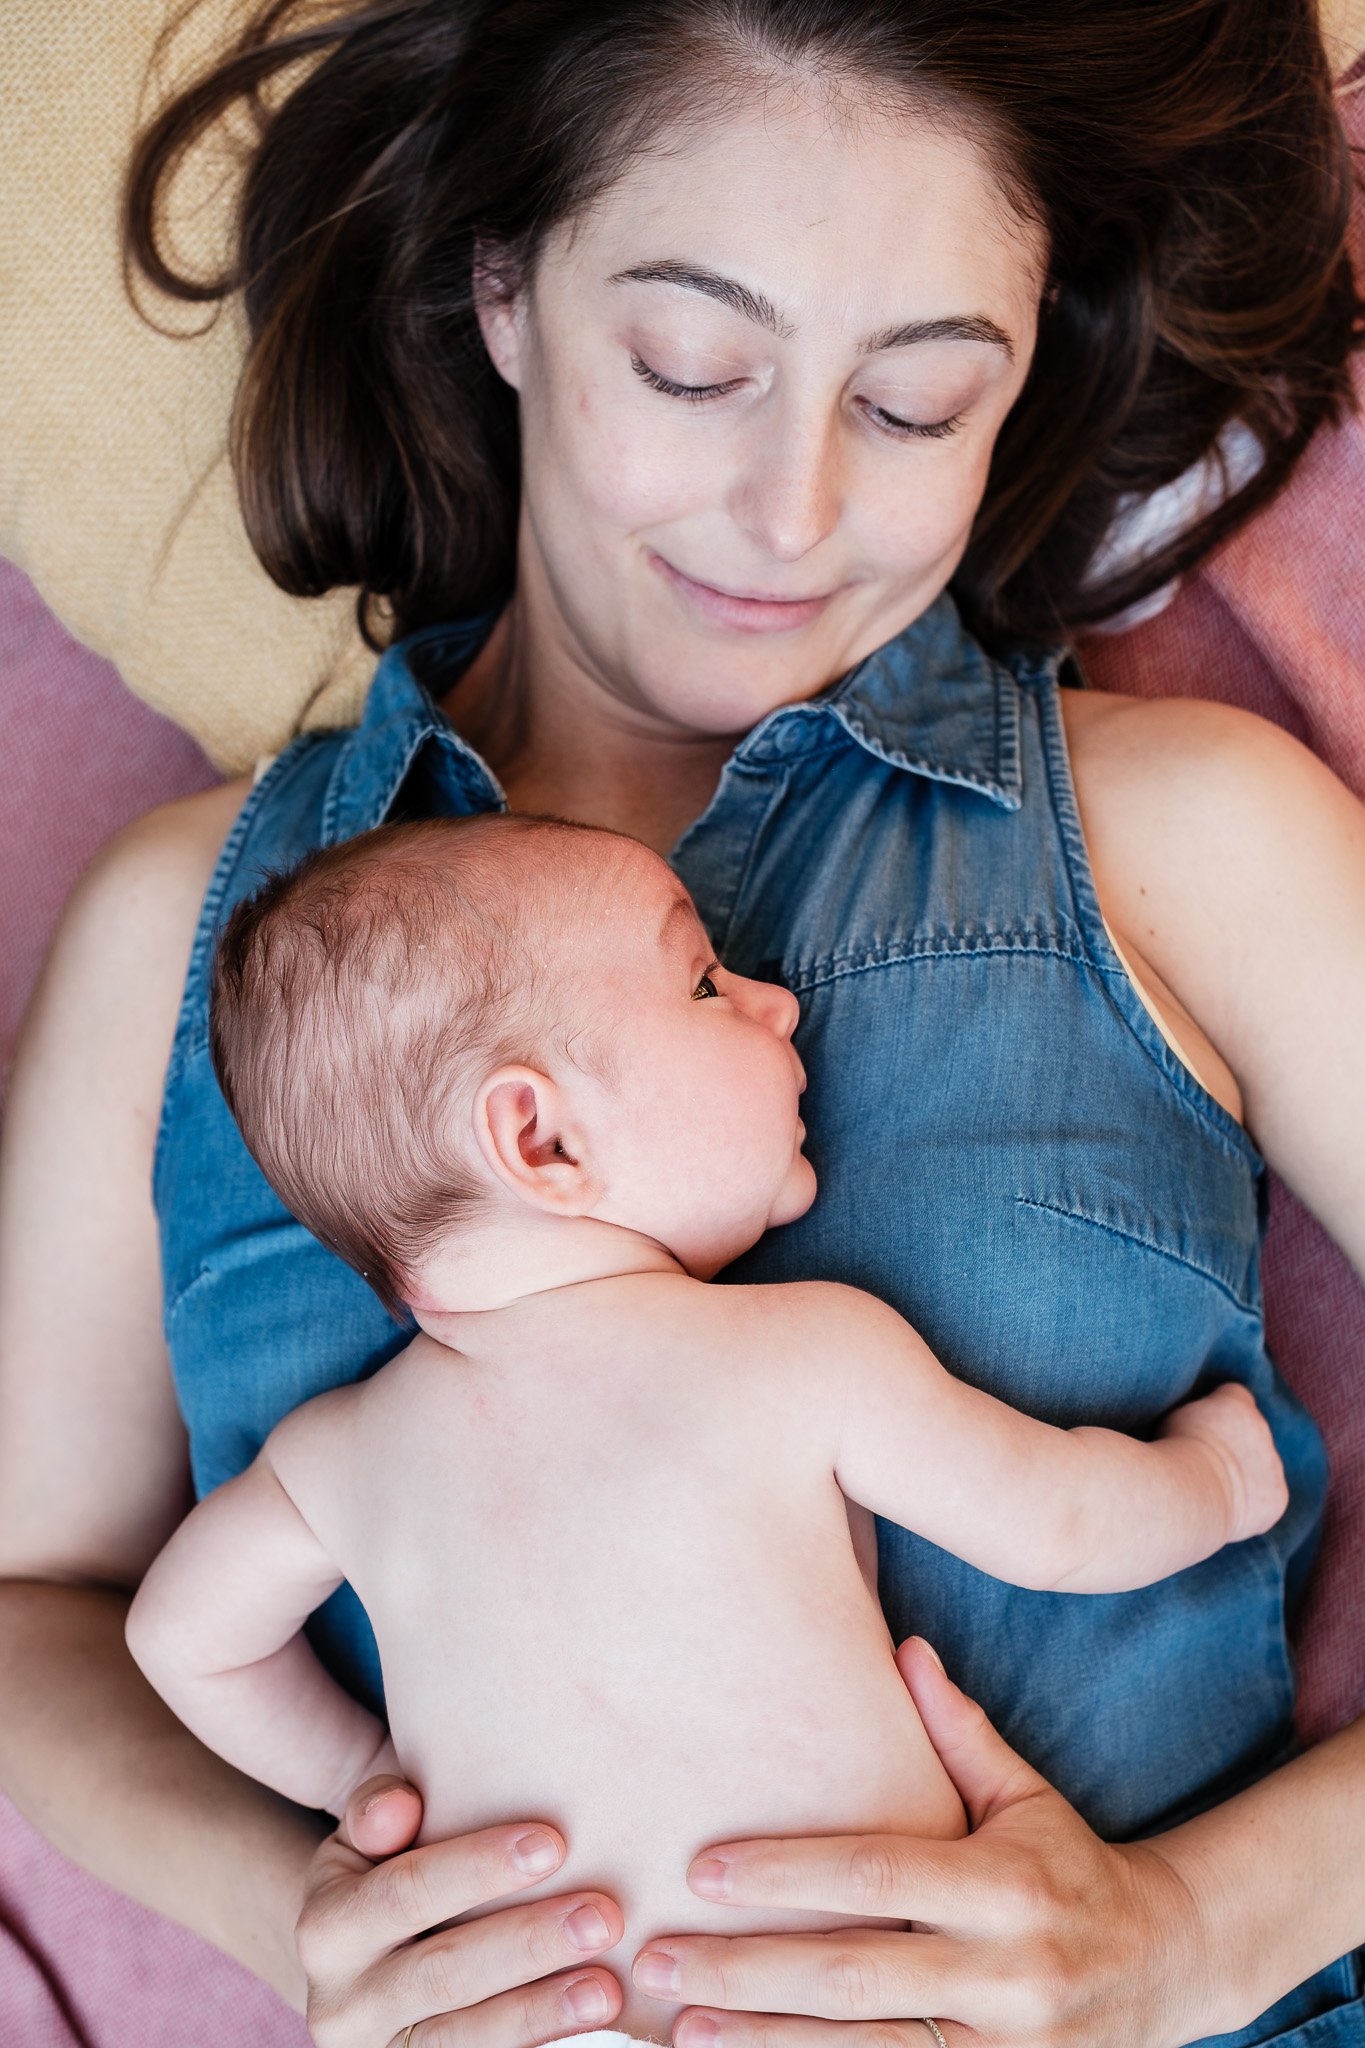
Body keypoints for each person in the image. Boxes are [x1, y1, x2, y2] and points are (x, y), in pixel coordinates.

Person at [0, 3, 1362, 2045]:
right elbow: (31, 1618)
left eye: (913, 401)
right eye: (692, 364)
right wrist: (314, 1898)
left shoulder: (1179, 832)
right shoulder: (188, 932)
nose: (789, 509)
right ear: (506, 288)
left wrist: (1190, 1930)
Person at [123, 813, 1291, 2045]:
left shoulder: (338, 1454)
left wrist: (361, 1781)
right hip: (838, 2005)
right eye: (702, 978)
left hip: (546, 2015)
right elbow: (1056, 1521)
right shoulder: (794, 1352)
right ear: (542, 1138)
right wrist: (1217, 1476)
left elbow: (181, 1636)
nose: (775, 1002)